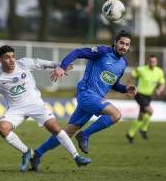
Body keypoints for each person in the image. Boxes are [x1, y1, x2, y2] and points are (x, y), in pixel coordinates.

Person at [0, 45, 91, 172]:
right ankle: (27, 152)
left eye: (13, 56)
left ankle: (76, 157)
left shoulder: (24, 64)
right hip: (16, 108)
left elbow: (42, 63)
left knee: (54, 127)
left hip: (35, 104)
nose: (12, 60)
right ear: (0, 60)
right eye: (7, 57)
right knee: (2, 128)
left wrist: (61, 66)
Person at [30, 30, 137, 171]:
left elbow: (113, 83)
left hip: (95, 99)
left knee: (66, 133)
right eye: (121, 43)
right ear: (115, 42)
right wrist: (62, 67)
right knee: (115, 115)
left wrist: (125, 89)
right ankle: (85, 135)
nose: (124, 46)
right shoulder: (102, 52)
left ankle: (36, 155)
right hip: (87, 94)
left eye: (127, 44)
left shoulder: (123, 63)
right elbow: (78, 52)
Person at [126, 55, 165, 143]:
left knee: (141, 115)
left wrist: (159, 90)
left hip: (148, 96)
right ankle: (143, 129)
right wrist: (128, 90)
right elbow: (130, 77)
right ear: (148, 62)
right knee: (150, 111)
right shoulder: (141, 69)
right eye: (151, 61)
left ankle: (130, 134)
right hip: (139, 94)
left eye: (154, 62)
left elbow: (162, 83)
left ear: (156, 62)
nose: (152, 63)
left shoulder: (159, 72)